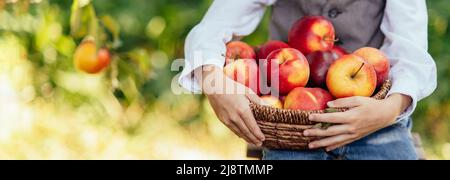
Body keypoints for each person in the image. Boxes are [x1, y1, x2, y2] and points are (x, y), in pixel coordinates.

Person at [178, 0, 437, 160]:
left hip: (371, 110)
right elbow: (215, 24)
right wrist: (213, 80)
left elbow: (410, 49)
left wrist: (389, 109)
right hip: (289, 120)